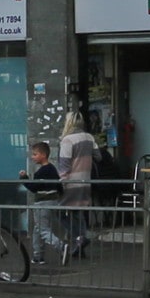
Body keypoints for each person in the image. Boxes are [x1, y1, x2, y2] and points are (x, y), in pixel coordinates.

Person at [57, 110, 98, 258]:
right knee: (79, 213)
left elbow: (64, 166)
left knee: (60, 212)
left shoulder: (67, 140)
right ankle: (80, 248)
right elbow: (98, 156)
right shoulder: (89, 137)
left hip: (71, 182)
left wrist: (61, 184)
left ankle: (80, 238)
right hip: (85, 181)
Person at [21, 142, 65, 263]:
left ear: (43, 155)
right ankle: (38, 255)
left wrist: (24, 178)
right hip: (53, 202)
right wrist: (59, 196)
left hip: (42, 203)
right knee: (38, 228)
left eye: (35, 154)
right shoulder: (52, 169)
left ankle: (60, 245)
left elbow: (33, 188)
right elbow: (59, 185)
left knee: (43, 229)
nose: (32, 157)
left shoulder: (41, 172)